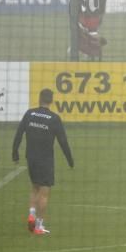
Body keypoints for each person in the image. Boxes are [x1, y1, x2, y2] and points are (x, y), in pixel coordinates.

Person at [12, 88, 74, 235]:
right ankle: (39, 225)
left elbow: (19, 133)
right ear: (51, 100)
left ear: (39, 99)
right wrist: (70, 159)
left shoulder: (29, 114)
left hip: (30, 157)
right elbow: (63, 141)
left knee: (35, 187)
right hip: (45, 159)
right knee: (44, 192)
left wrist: (14, 152)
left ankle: (32, 215)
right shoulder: (54, 118)